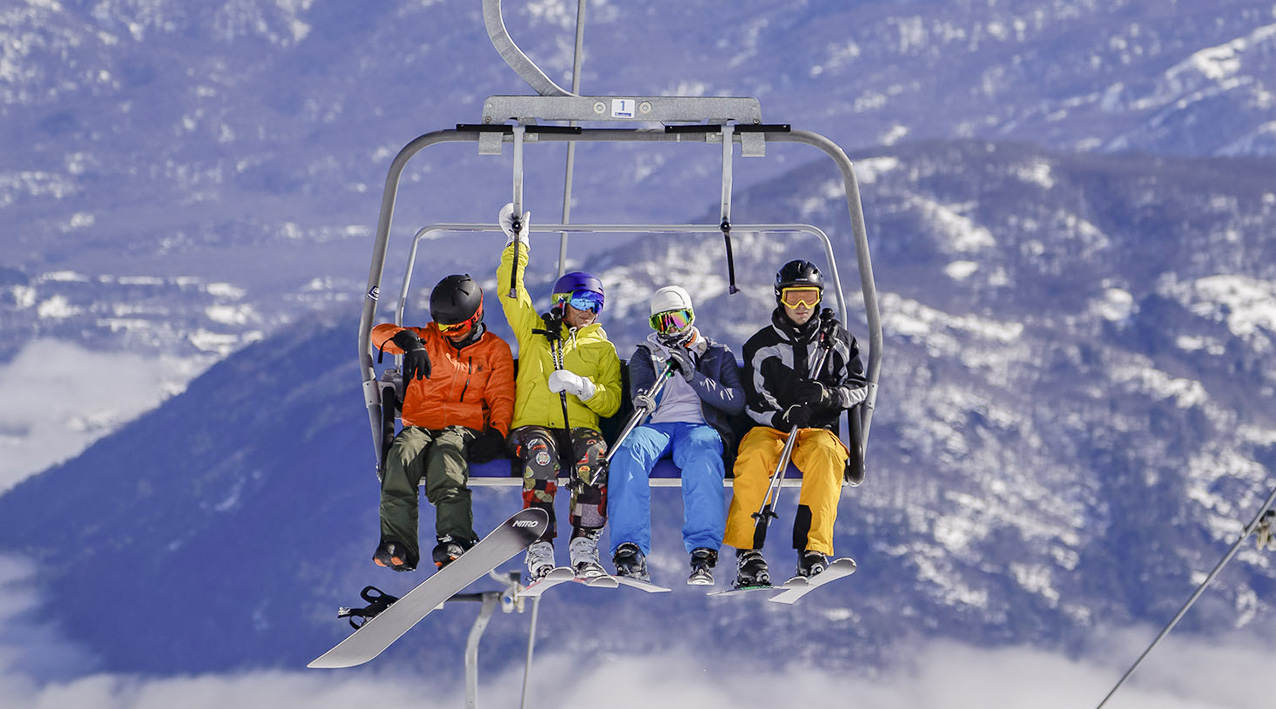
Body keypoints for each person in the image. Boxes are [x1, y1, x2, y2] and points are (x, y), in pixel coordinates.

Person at [723, 259, 868, 588]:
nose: (801, 306)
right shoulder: (761, 346)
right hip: (771, 428)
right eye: (793, 297)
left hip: (818, 431)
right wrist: (782, 415)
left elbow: (859, 388)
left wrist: (827, 396)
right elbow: (754, 398)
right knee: (755, 454)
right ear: (780, 298)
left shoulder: (838, 342)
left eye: (809, 297)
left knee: (826, 456)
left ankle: (812, 550)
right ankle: (749, 551)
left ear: (819, 298)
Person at [497, 203, 623, 580]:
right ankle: (539, 541)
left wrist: (583, 387)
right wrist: (517, 245)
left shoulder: (602, 348)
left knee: (595, 456)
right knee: (540, 456)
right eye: (583, 302)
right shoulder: (534, 333)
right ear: (563, 302)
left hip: (580, 427)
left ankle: (584, 540)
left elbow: (613, 400)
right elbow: (511, 293)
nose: (590, 312)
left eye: (596, 304)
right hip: (532, 425)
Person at [369, 274, 515, 572]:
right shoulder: (429, 339)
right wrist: (406, 340)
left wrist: (498, 434)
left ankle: (456, 537)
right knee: (401, 455)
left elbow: (502, 397)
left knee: (446, 458)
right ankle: (398, 543)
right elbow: (377, 334)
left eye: (457, 327)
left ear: (476, 316)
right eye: (444, 326)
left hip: (464, 427)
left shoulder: (494, 351)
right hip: (420, 422)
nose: (450, 333)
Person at [607, 286, 745, 586]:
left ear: (691, 317)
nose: (671, 330)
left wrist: (694, 376)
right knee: (629, 449)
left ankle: (703, 549)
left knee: (703, 453)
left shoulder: (716, 353)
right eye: (662, 323)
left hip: (698, 427)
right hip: (658, 426)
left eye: (677, 320)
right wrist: (643, 398)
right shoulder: (647, 353)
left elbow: (735, 400)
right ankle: (629, 548)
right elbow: (640, 386)